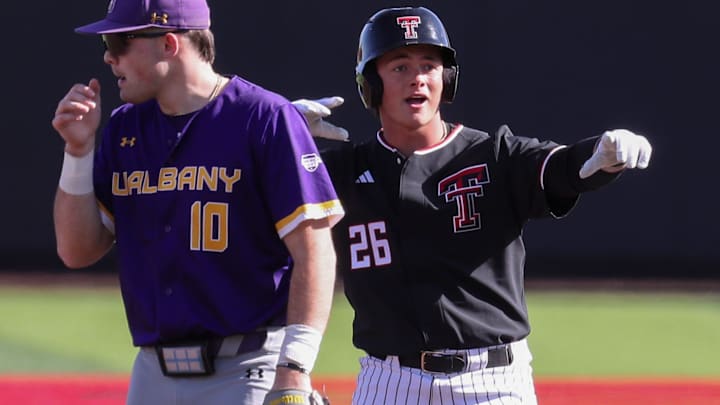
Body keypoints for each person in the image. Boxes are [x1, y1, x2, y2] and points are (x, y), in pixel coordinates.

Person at [293, 6, 652, 405]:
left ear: (447, 80)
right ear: (370, 84)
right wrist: (275, 137)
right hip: (387, 379)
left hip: (492, 381)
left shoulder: (493, 154)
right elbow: (243, 194)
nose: (418, 79)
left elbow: (562, 167)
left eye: (430, 65)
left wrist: (602, 158)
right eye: (399, 66)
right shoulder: (339, 172)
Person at [51, 0, 342, 404]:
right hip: (152, 374)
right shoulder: (123, 128)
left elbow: (315, 253)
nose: (108, 56)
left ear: (169, 44)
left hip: (248, 371)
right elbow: (76, 250)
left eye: (119, 42)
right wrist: (78, 153)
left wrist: (294, 370)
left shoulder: (264, 117)